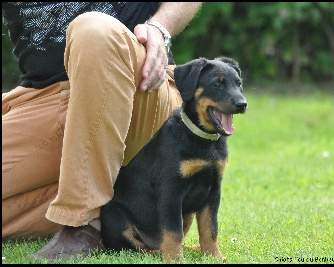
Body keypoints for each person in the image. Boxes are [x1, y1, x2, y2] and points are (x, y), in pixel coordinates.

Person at [2, 2, 202, 261]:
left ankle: (83, 222)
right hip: (46, 100)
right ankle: (132, 207)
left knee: (94, 29)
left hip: (139, 89)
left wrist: (160, 27)